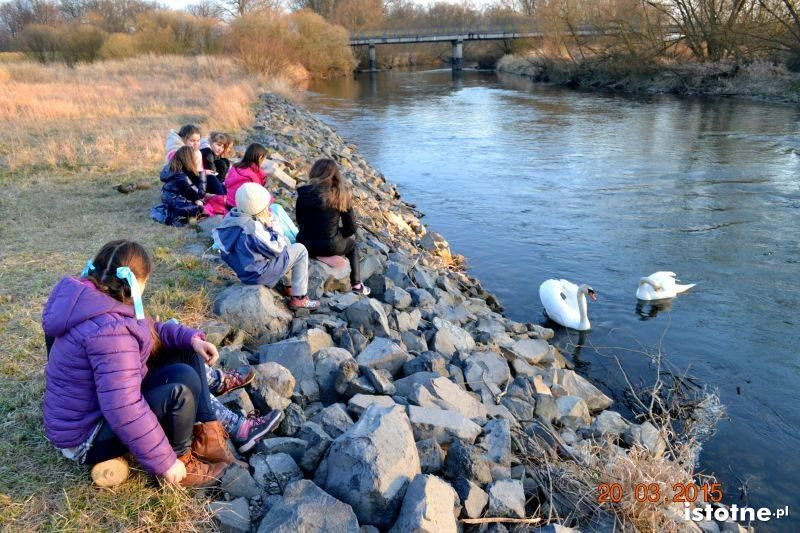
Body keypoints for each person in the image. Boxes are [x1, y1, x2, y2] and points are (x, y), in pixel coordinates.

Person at [43, 240, 229, 488]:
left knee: (186, 351)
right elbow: (123, 407)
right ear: (136, 282)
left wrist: (191, 339)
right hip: (86, 436)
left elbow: (150, 331)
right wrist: (165, 462)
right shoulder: (110, 330)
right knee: (178, 394)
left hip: (96, 406)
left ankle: (208, 435)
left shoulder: (97, 299)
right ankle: (180, 461)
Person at [213, 183, 320, 310]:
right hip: (259, 274)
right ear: (259, 208)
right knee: (299, 249)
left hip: (245, 272)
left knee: (285, 244)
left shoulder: (232, 218)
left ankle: (289, 287)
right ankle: (299, 298)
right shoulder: (253, 228)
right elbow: (278, 248)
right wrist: (273, 223)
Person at [296, 159, 370, 295]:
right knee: (352, 245)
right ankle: (356, 284)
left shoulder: (303, 193)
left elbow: (300, 220)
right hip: (330, 245)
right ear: (335, 175)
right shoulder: (340, 194)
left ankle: (317, 256)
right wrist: (338, 233)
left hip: (305, 243)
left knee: (305, 238)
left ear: (314, 172)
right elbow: (352, 227)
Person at [152, 146, 206, 226]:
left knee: (199, 206)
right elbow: (193, 191)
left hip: (167, 195)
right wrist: (202, 172)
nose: (195, 159)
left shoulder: (172, 167)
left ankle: (172, 210)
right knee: (200, 210)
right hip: (174, 198)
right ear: (188, 158)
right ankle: (172, 216)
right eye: (193, 157)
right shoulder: (180, 175)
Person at [224, 143, 269, 210]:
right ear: (260, 157)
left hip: (228, 205)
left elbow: (227, 183)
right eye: (264, 158)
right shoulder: (252, 177)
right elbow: (257, 200)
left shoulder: (235, 167)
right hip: (240, 210)